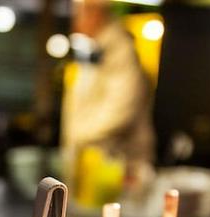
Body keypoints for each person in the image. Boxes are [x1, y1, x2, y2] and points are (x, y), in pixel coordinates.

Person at [61, 0, 155, 193]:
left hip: (116, 166)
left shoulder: (120, 48)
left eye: (79, 12)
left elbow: (120, 110)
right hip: (91, 166)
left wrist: (78, 136)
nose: (75, 20)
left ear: (95, 13)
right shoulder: (92, 48)